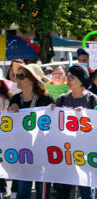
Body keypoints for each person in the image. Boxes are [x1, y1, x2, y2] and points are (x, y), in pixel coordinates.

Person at [53, 64, 97, 199]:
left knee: (85, 190)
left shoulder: (92, 100)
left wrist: (85, 116)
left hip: (84, 153)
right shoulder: (62, 99)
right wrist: (51, 110)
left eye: (72, 77)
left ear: (82, 81)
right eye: (67, 77)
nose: (68, 80)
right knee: (63, 190)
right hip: (65, 152)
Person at [7, 63, 54, 199]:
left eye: (22, 76)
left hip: (42, 153)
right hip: (24, 153)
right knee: (22, 191)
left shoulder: (46, 99)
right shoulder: (15, 99)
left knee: (42, 192)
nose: (18, 79)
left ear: (32, 80)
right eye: (17, 76)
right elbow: (10, 126)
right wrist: (11, 112)